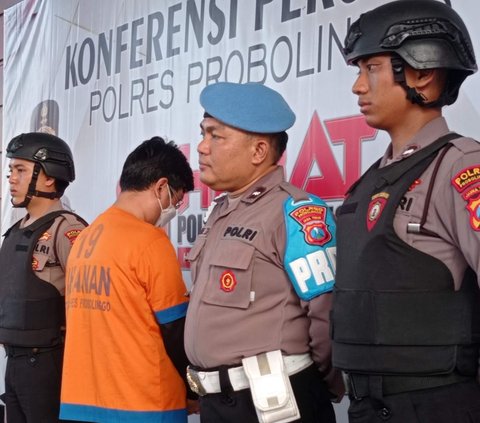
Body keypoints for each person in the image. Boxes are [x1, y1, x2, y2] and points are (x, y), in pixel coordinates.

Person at [331, 1, 480, 422]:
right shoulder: (370, 181)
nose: (358, 87)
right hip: (367, 406)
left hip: (438, 405)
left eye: (371, 69)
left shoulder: (461, 166)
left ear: (422, 72)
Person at [184, 82, 344, 423]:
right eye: (202, 133)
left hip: (274, 405)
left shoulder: (296, 211)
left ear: (258, 151)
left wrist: (320, 383)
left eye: (215, 136)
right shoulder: (223, 211)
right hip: (220, 403)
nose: (201, 147)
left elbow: (325, 313)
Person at [59, 137, 197, 423]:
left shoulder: (86, 238)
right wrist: (194, 390)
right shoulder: (149, 241)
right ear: (161, 187)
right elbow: (174, 329)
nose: (174, 208)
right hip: (144, 405)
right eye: (177, 199)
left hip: (81, 402)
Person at [0, 132, 87, 422]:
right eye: (11, 170)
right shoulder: (14, 233)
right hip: (15, 362)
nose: (11, 178)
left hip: (49, 364)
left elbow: (88, 303)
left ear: (49, 177)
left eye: (21, 170)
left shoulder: (67, 229)